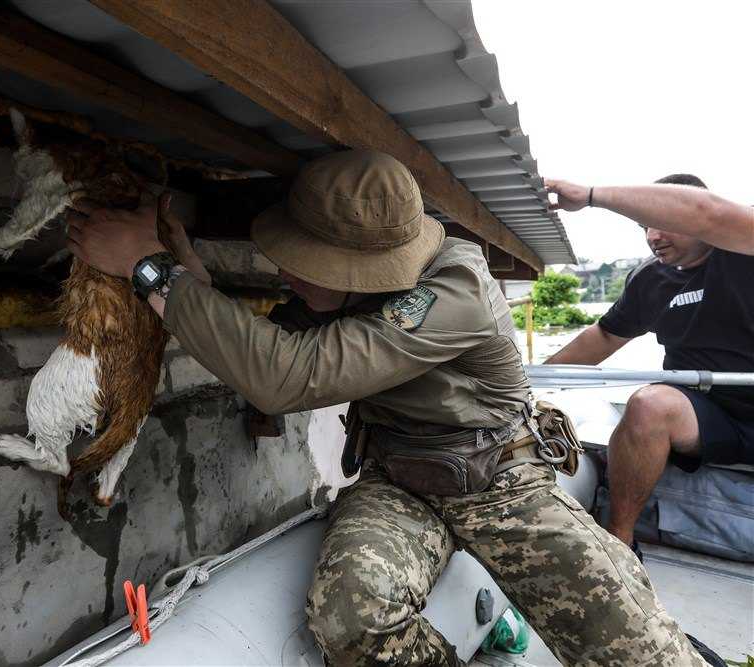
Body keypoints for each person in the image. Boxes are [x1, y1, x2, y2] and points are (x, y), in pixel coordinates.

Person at [66, 151, 704, 665]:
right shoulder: (344, 294)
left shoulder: (455, 291)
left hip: (503, 484)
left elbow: (287, 375)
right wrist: (186, 270)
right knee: (352, 610)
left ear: (367, 269)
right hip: (396, 482)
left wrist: (147, 270)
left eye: (307, 263)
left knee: (639, 650)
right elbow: (262, 344)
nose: (286, 274)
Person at [544, 175, 754, 550]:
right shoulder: (649, 279)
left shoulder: (743, 249)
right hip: (707, 413)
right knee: (649, 404)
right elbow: (605, 336)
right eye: (645, 226)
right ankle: (621, 543)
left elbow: (710, 213)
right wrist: (532, 378)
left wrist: (592, 196)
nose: (653, 236)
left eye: (665, 222)